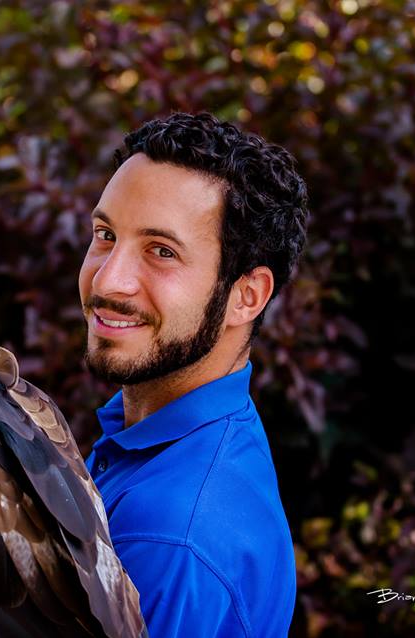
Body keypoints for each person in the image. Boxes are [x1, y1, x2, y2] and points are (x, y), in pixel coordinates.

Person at [80, 112, 306, 637]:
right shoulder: (186, 439)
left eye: (162, 252)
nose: (109, 279)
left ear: (246, 296)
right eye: (105, 234)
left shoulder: (168, 537)